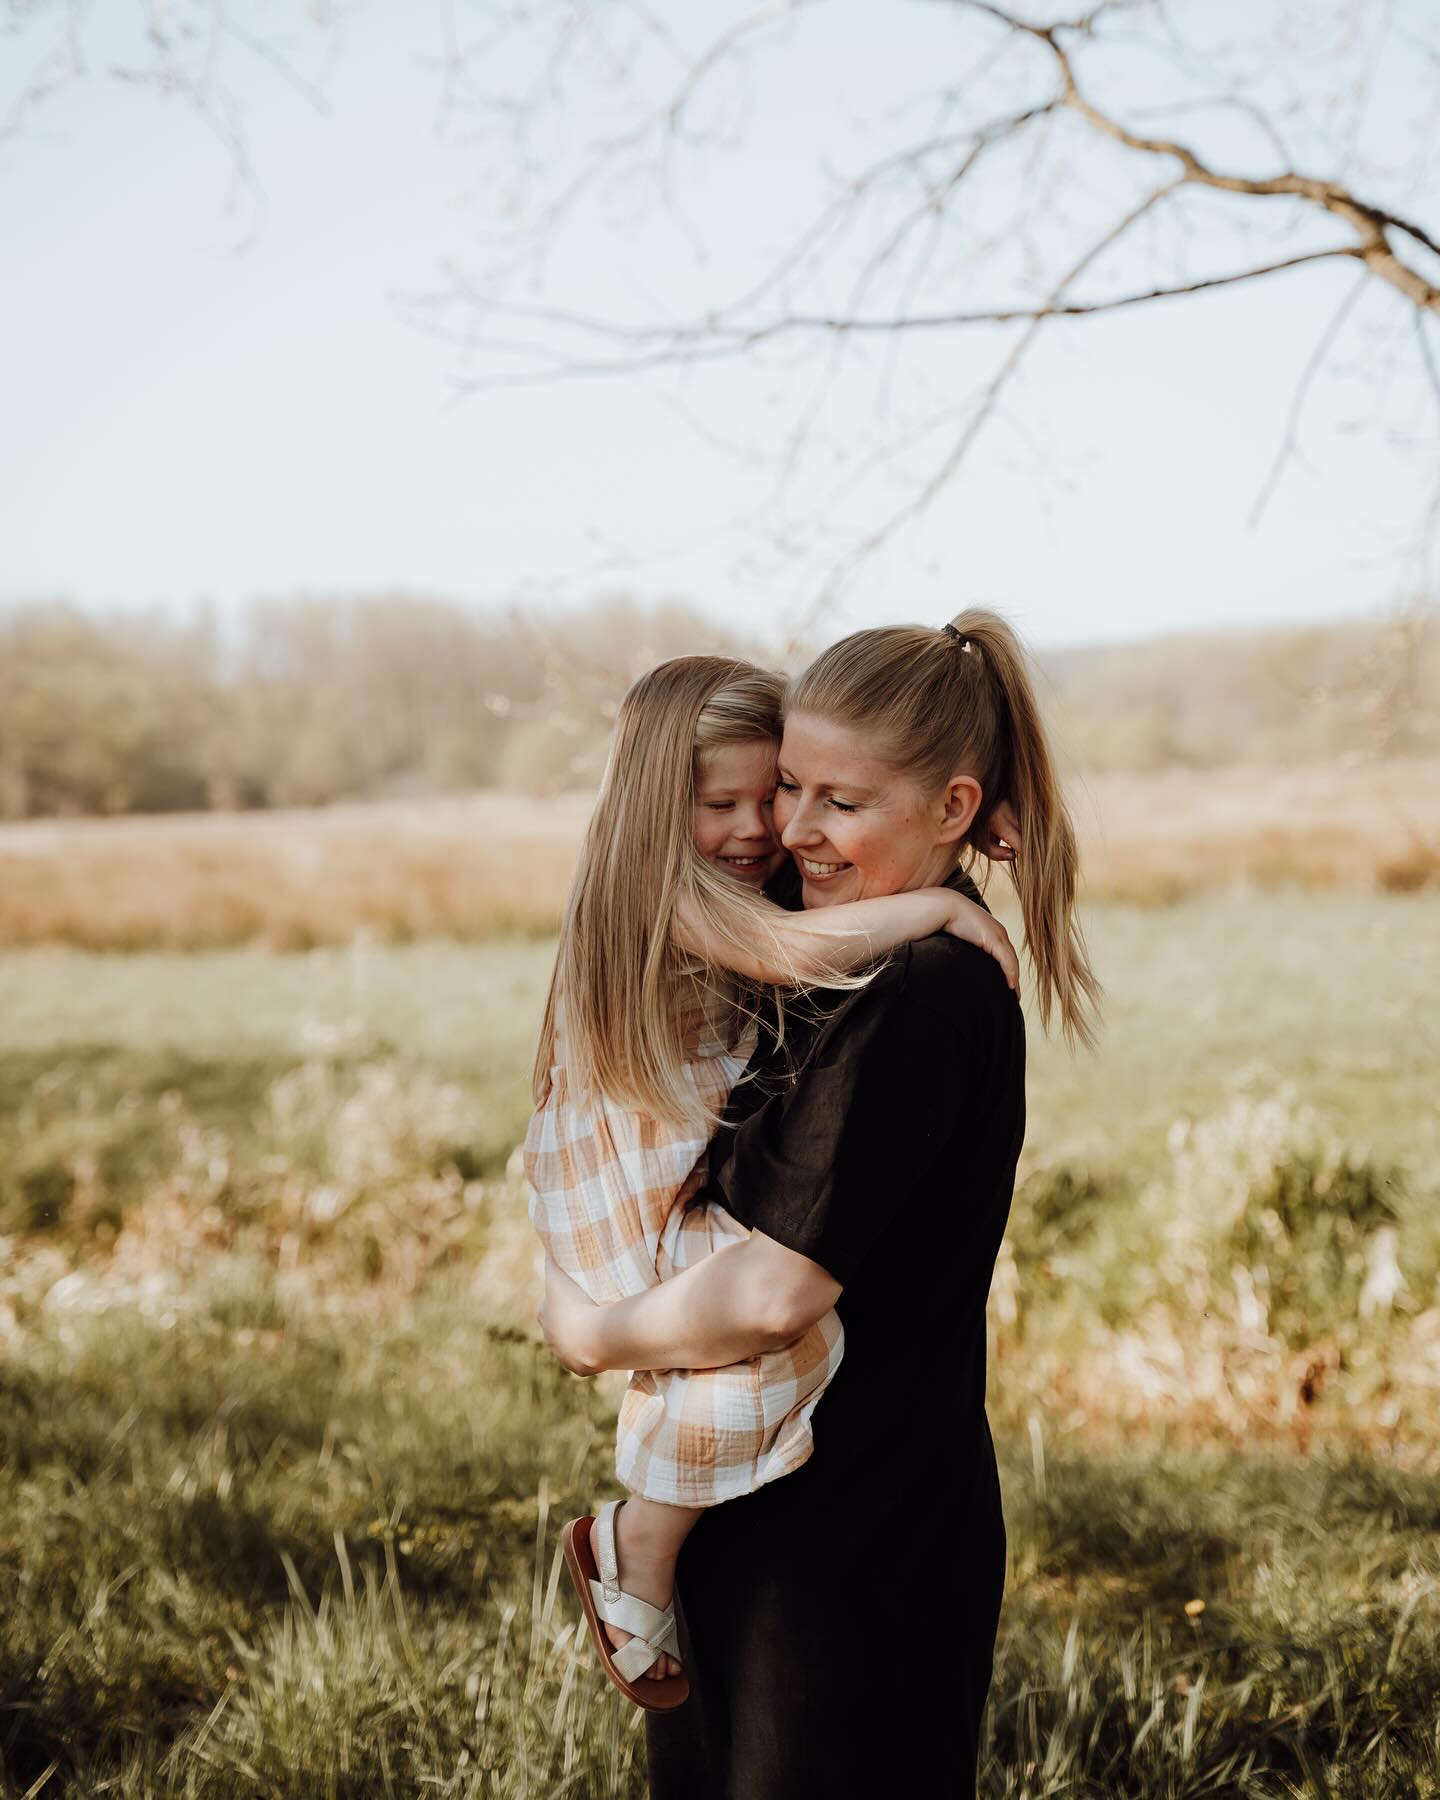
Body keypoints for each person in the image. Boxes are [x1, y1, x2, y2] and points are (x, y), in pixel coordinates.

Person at [539, 612, 1100, 1796]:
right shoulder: (820, 943)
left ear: (945, 810)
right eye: (786, 785)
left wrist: (590, 1330)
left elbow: (772, 1292)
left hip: (850, 1549)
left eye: (837, 803)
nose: (787, 829)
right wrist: (973, 832)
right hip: (752, 1513)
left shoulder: (921, 994)